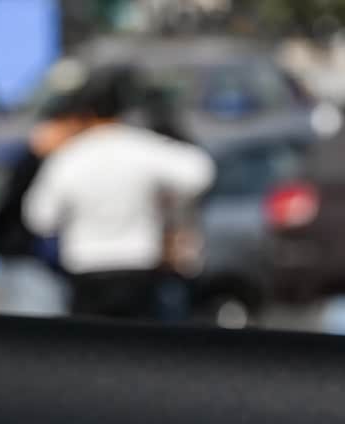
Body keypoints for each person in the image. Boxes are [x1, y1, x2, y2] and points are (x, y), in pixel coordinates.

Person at [22, 70, 215, 320]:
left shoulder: (69, 157)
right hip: (139, 265)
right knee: (139, 341)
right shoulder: (141, 147)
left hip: (86, 268)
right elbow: (200, 172)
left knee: (92, 342)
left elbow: (39, 218)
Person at [0, 89, 85, 316]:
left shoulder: (50, 158)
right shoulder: (37, 159)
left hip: (36, 259)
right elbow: (30, 213)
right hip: (29, 258)